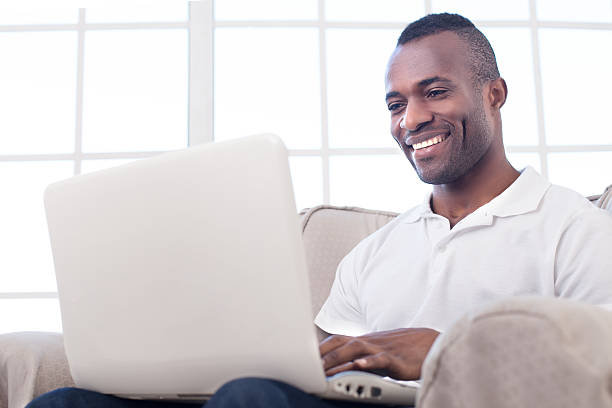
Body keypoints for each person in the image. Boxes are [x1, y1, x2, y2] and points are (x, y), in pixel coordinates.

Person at [27, 12, 612, 408]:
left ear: (494, 93)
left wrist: (442, 349)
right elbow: (322, 361)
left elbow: (597, 365)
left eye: (434, 91)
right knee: (66, 403)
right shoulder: (375, 253)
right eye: (395, 103)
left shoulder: (573, 228)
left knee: (251, 397)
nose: (410, 121)